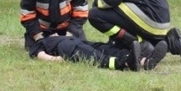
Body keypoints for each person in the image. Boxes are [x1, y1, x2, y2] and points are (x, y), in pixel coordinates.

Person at [29, 33, 167, 72]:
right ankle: (123, 63)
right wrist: (54, 59)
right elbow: (36, 53)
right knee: (93, 55)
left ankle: (144, 61)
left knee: (105, 48)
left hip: (79, 42)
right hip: (66, 47)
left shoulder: (64, 35)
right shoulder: (43, 42)